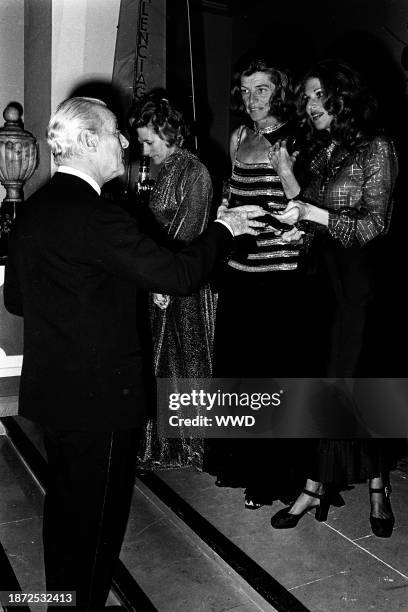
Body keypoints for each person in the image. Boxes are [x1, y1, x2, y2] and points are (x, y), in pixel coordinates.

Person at [3, 96, 265, 609]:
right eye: (116, 132)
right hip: (98, 399)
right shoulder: (99, 216)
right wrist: (226, 229)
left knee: (65, 515)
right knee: (96, 527)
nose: (124, 142)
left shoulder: (35, 209)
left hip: (53, 392)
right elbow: (181, 275)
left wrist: (87, 295)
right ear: (89, 141)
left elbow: (16, 298)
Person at [268, 60, 399, 537]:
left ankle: (378, 488)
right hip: (324, 278)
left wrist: (316, 217)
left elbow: (374, 225)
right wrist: (290, 191)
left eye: (318, 94)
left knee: (358, 381)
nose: (309, 104)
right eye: (305, 97)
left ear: (344, 98)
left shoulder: (377, 148)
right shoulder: (326, 150)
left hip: (362, 284)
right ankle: (314, 484)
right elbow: (310, 208)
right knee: (324, 380)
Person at [204, 57, 308, 509]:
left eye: (261, 90)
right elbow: (233, 193)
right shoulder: (240, 136)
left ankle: (272, 478)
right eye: (245, 91)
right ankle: (238, 463)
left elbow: (305, 203)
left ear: (279, 92)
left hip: (278, 273)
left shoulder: (295, 138)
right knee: (236, 369)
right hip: (239, 268)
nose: (251, 100)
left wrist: (284, 169)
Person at [128, 92, 215, 468]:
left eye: (149, 141)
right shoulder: (170, 169)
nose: (145, 151)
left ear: (168, 132)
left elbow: (189, 232)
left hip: (184, 283)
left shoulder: (195, 170)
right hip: (164, 278)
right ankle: (165, 445)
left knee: (186, 361)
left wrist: (164, 282)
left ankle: (193, 445)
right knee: (164, 362)